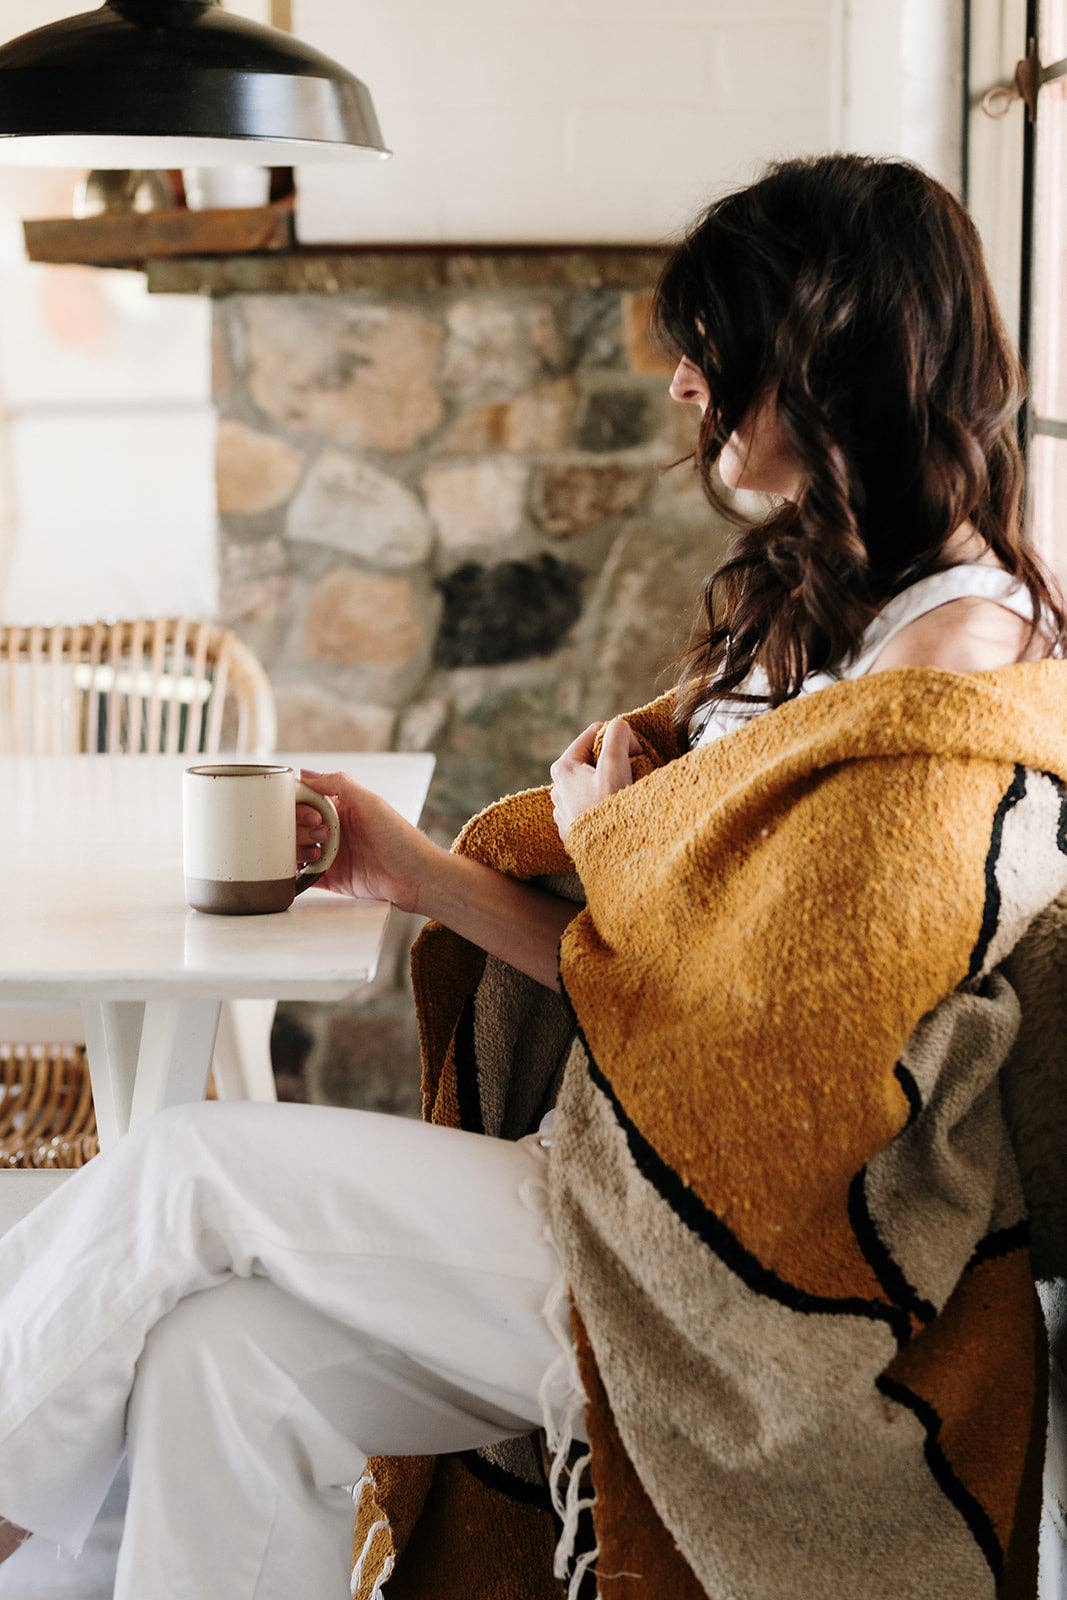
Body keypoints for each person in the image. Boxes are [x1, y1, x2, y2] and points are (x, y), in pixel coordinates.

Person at [0, 150, 1062, 1600]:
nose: (684, 384)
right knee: (223, 1361)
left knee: (187, 1168)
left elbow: (794, 1032)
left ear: (828, 345)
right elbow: (658, 968)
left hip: (749, 1281)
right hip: (621, 1194)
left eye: (713, 343)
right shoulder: (815, 620)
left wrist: (622, 836)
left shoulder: (957, 656)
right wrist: (420, 873)